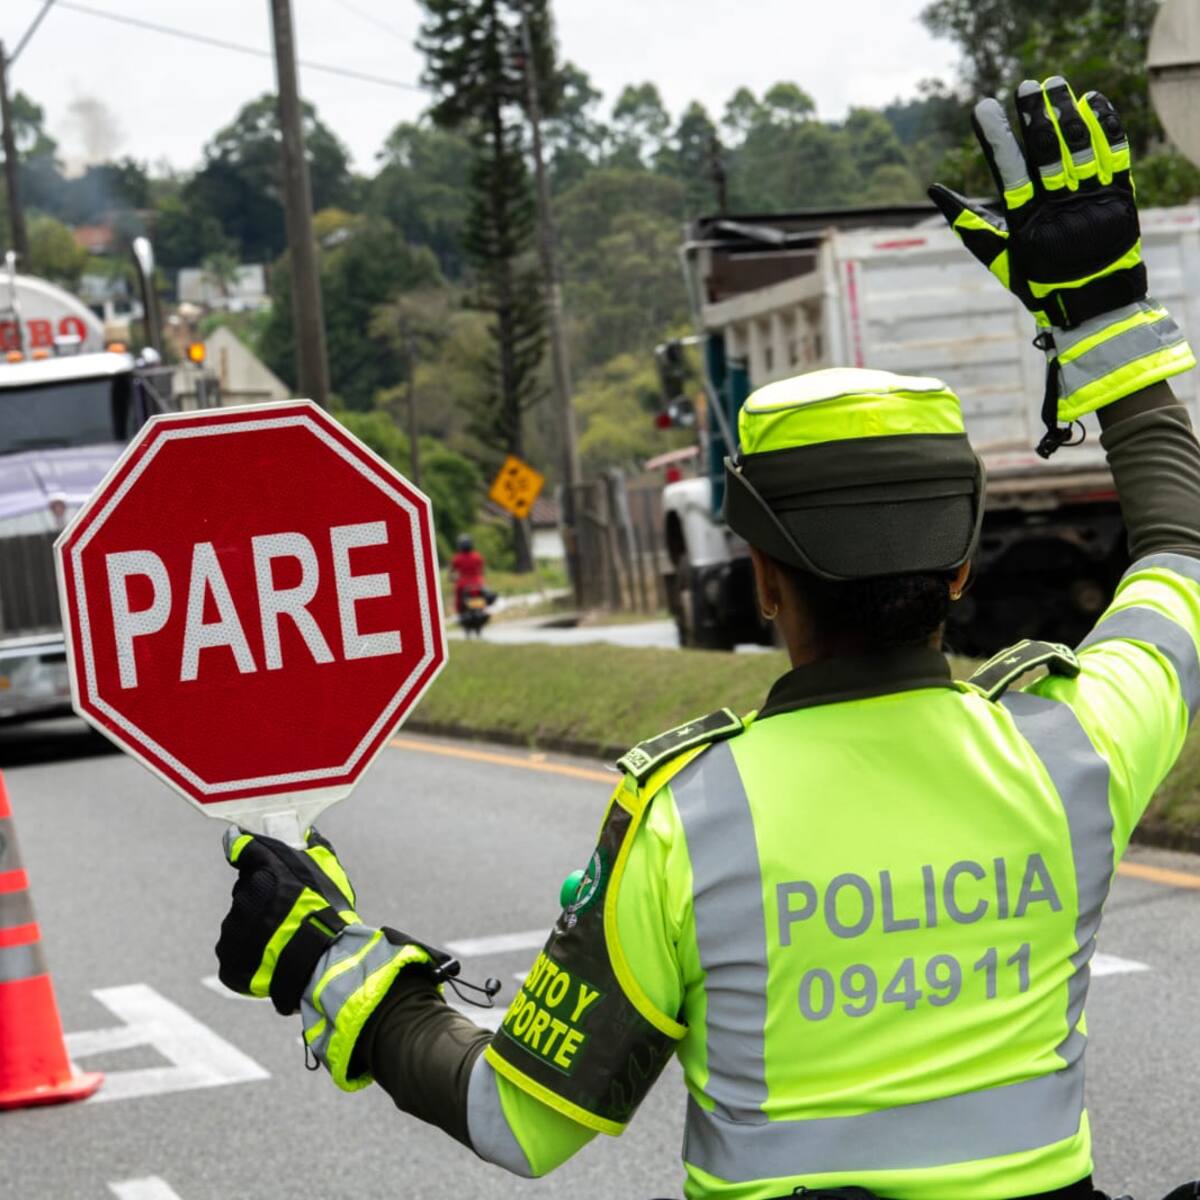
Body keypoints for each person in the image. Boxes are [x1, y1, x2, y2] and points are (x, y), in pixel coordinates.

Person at [215, 77, 1200, 1200]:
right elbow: (1181, 555)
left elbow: (514, 1121)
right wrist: (1106, 315)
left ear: (764, 580)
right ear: (963, 567)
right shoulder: (1075, 750)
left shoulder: (690, 824)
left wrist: (325, 961)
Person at [449, 532, 488, 615]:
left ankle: (460, 612)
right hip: (477, 581)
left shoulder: (457, 558)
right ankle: (483, 608)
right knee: (484, 592)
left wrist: (451, 578)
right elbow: (482, 570)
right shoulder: (477, 556)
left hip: (463, 583)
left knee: (458, 597)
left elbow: (451, 571)